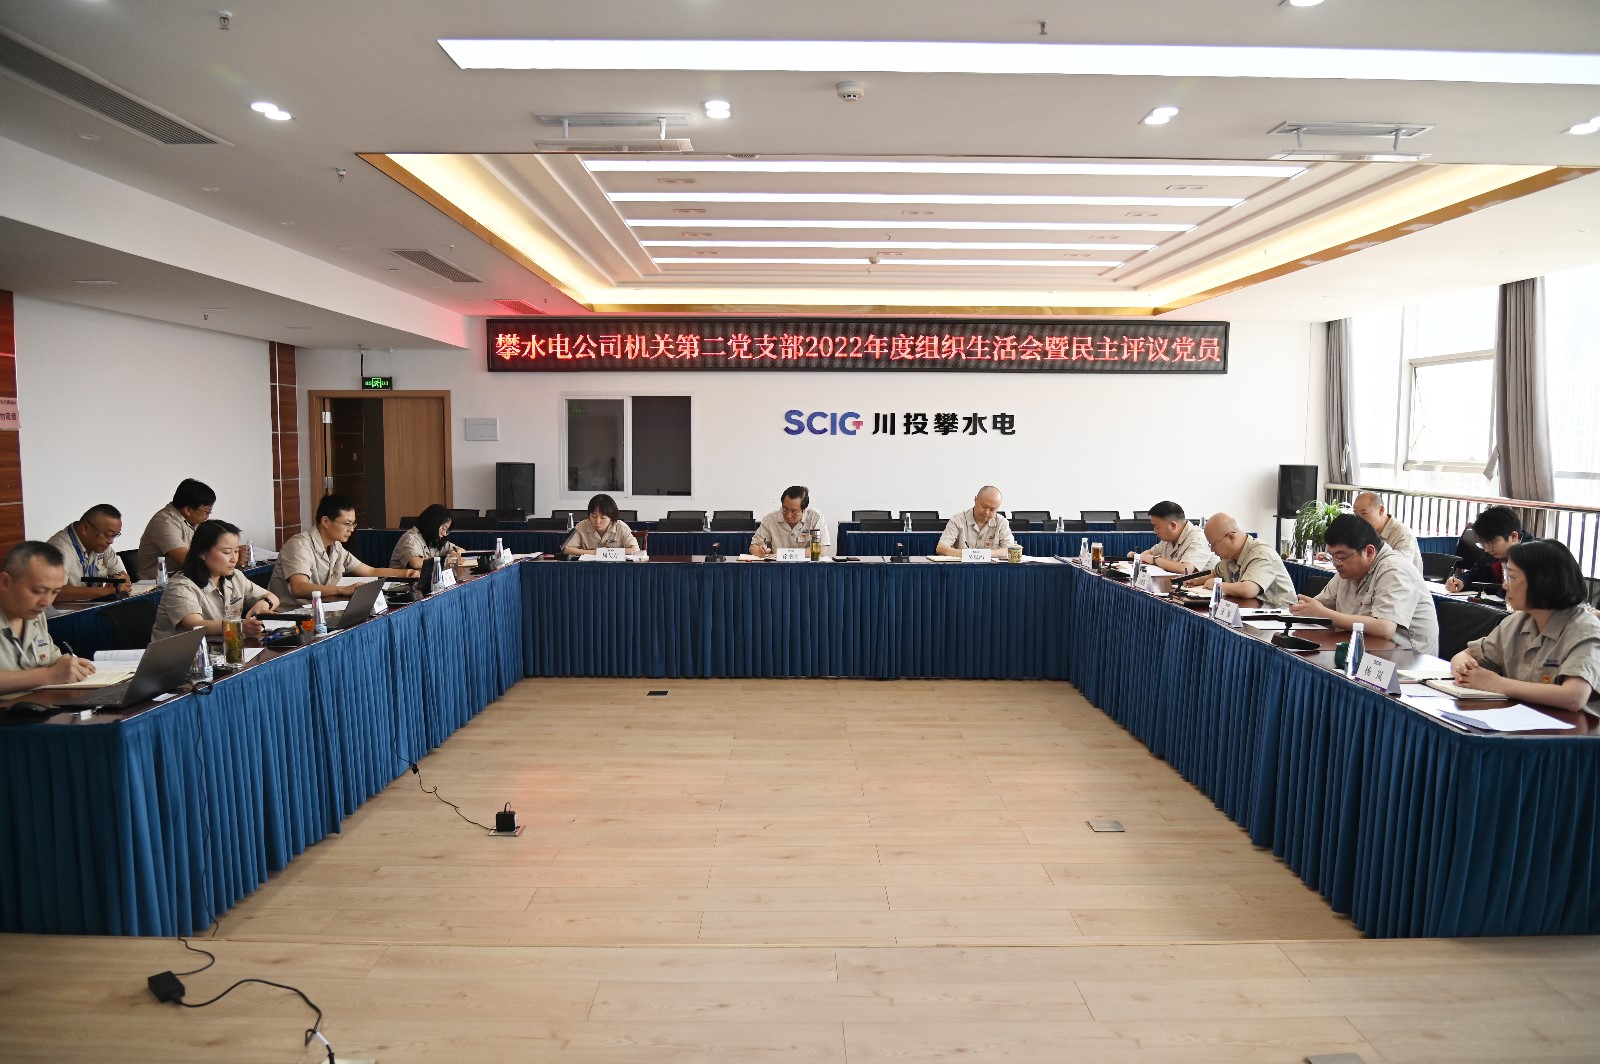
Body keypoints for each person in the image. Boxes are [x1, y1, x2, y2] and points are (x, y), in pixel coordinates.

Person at [1450, 540, 1600, 716]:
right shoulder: (1517, 621)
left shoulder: (1585, 630)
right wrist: (1465, 670)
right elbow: (1463, 655)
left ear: (1542, 583)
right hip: (1522, 720)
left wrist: (1495, 683)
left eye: (1512, 577)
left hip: (1573, 729)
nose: (1505, 585)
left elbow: (1574, 697)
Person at [1290, 514, 1439, 654]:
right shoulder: (1347, 571)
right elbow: (1321, 605)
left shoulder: (1394, 570)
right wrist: (1305, 608)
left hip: (1406, 660)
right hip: (1363, 652)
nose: (1335, 563)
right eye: (1332, 556)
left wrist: (1323, 613)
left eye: (1341, 557)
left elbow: (1384, 628)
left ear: (1369, 552)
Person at [270, 494, 419, 608]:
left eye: (353, 524)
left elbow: (370, 571)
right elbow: (299, 588)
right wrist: (341, 590)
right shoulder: (299, 545)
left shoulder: (336, 547)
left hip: (322, 609)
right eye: (347, 524)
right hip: (291, 615)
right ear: (325, 521)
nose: (351, 529)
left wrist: (406, 573)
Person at [152, 520, 279, 642]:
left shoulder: (235, 576)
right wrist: (240, 626)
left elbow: (272, 597)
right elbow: (195, 625)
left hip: (223, 648)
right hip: (183, 654)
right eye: (227, 552)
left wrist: (262, 605)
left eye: (236, 551)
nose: (234, 558)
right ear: (202, 553)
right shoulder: (181, 586)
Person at [0, 542, 95, 694]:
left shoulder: (35, 615)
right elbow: (50, 673)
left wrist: (71, 665)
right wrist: (48, 675)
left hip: (38, 704)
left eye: (55, 592)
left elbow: (52, 659)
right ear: (5, 582)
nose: (46, 602)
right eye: (38, 591)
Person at [1202, 513, 1296, 606]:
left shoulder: (1261, 553)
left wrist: (1217, 585)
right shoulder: (1230, 556)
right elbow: (1215, 573)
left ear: (1231, 537)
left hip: (1279, 613)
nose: (1212, 549)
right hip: (1248, 611)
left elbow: (1248, 590)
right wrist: (1195, 580)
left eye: (1213, 544)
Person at [46, 504, 133, 602]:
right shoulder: (60, 550)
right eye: (108, 534)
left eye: (114, 536)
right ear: (85, 528)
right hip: (66, 610)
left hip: (93, 607)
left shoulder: (101, 545)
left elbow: (124, 577)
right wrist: (108, 591)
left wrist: (118, 579)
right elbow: (54, 592)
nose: (111, 541)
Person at [135, 479, 216, 579]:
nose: (208, 516)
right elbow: (188, 562)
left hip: (182, 579)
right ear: (188, 510)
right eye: (207, 512)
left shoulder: (193, 521)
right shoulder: (164, 522)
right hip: (156, 584)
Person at [1445, 505, 1533, 593]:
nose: (1486, 550)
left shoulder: (1536, 556)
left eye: (1491, 543)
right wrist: (1461, 581)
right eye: (1483, 544)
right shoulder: (1493, 554)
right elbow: (1475, 575)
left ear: (1513, 536)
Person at [1134, 501, 1215, 575]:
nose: (1155, 531)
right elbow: (1150, 553)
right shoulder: (1169, 538)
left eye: (1157, 527)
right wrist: (1138, 557)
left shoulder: (1198, 538)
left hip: (1201, 586)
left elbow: (1185, 569)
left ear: (1172, 525)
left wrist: (1155, 560)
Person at [936, 485, 1017, 558]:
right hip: (963, 568)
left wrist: (981, 555)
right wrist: (970, 555)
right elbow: (941, 548)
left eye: (992, 509)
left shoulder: (1002, 522)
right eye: (984, 506)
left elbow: (1010, 550)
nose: (987, 512)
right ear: (975, 500)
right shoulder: (957, 520)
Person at [750, 486, 830, 558]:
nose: (788, 515)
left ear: (804, 509)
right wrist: (760, 551)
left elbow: (821, 550)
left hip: (806, 567)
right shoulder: (770, 519)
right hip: (778, 566)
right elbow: (753, 547)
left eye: (794, 511)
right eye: (785, 509)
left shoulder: (815, 518)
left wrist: (785, 554)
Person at [1352, 491, 1423, 571]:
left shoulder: (1402, 534)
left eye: (1364, 513)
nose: (1359, 519)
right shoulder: (1366, 531)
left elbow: (1399, 567)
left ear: (1381, 510)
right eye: (1356, 514)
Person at [564, 493, 641, 557]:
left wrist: (606, 552)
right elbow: (566, 549)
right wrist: (594, 552)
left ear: (611, 517)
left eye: (603, 517)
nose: (597, 521)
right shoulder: (582, 526)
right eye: (594, 516)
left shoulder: (621, 527)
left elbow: (635, 550)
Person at [391, 504, 466, 569]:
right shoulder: (410, 538)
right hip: (402, 580)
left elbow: (461, 550)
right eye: (443, 528)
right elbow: (415, 563)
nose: (444, 534)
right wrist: (447, 560)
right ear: (432, 524)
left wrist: (452, 553)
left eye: (447, 530)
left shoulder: (433, 539)